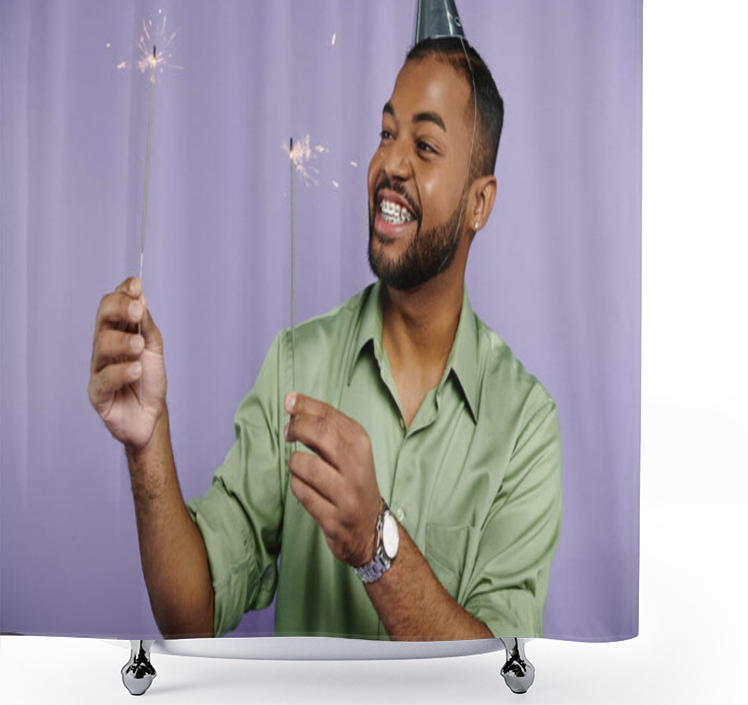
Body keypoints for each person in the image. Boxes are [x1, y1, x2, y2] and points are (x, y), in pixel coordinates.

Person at [88, 37, 562, 641]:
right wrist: (146, 439)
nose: (391, 163)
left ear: (479, 202)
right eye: (386, 133)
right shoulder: (296, 366)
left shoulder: (526, 427)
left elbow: (500, 678)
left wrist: (375, 543)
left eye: (424, 145)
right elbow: (191, 614)